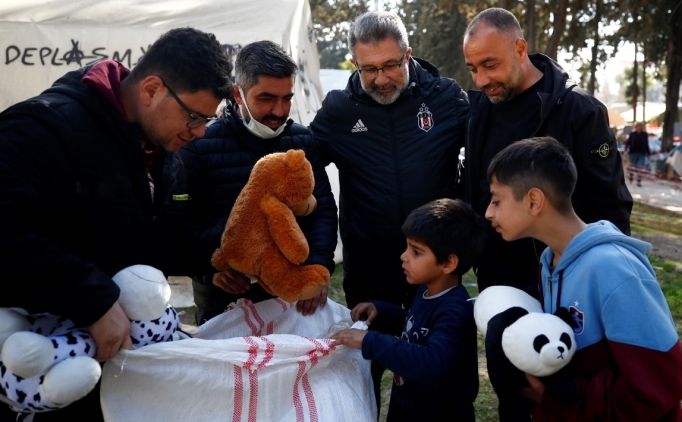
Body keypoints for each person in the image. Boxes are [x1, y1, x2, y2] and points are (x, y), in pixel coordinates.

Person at [0, 28, 232, 421]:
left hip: (118, 375)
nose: (199, 133)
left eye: (209, 120)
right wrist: (93, 300)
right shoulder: (46, 127)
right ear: (151, 89)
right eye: (194, 116)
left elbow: (158, 242)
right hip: (38, 368)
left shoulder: (164, 152)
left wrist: (219, 255)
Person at [309, 10, 469, 412]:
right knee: (364, 378)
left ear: (408, 55)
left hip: (435, 274)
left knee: (434, 381)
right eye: (368, 69)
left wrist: (460, 221)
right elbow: (300, 168)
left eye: (390, 66)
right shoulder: (339, 110)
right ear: (354, 64)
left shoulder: (447, 98)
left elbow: (488, 156)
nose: (380, 79)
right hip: (370, 273)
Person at [486, 136, 682, 421]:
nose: (488, 212)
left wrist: (559, 398)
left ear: (533, 201)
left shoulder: (614, 269)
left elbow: (658, 386)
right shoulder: (550, 264)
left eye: (496, 200)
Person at [462, 7, 633, 298]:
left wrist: (610, 282)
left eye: (490, 65)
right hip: (497, 283)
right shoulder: (479, 111)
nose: (481, 80)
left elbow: (610, 207)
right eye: (473, 68)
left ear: (519, 49)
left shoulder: (579, 111)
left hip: (566, 282)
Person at [179, 40, 337, 324]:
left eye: (287, 98)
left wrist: (318, 266)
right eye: (266, 98)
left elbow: (322, 208)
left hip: (292, 299)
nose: (279, 110)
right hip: (224, 301)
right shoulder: (199, 146)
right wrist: (208, 269)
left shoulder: (302, 143)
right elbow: (179, 225)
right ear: (238, 94)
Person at [331, 198, 485, 421]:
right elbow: (418, 327)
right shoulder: (427, 290)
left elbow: (433, 364)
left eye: (416, 252)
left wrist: (369, 341)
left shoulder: (455, 311)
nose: (403, 256)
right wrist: (383, 311)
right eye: (407, 247)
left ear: (448, 263)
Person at [625, 122, 651, 186]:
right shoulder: (632, 134)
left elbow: (646, 144)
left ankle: (639, 181)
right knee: (632, 166)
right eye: (638, 126)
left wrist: (648, 153)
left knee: (640, 167)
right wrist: (626, 150)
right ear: (636, 127)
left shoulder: (644, 134)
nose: (639, 128)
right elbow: (628, 142)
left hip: (641, 153)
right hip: (633, 152)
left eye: (640, 126)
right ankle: (631, 176)